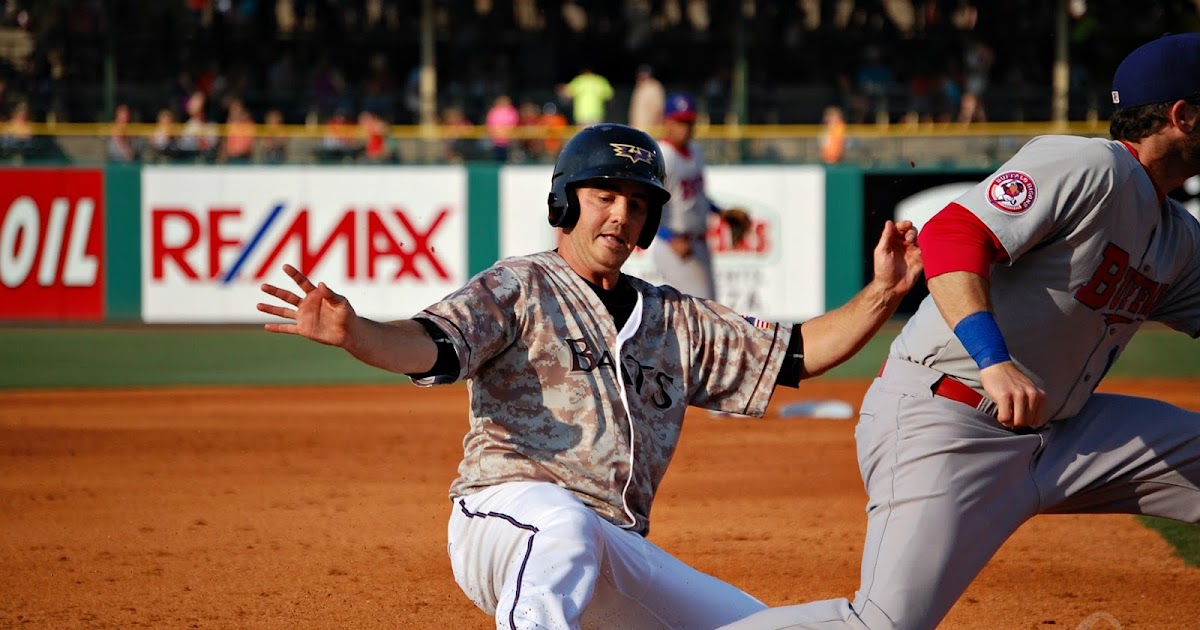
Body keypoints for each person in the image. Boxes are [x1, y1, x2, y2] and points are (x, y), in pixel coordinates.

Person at [257, 123, 923, 630]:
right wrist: (359, 333)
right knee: (563, 526)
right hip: (506, 516)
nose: (621, 214)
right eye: (604, 195)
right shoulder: (520, 285)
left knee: (751, 625)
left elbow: (795, 354)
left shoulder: (675, 319)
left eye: (637, 203)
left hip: (613, 544)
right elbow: (432, 345)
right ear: (566, 202)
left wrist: (883, 293)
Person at [722, 32, 1200, 630]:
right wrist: (993, 360)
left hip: (1068, 435)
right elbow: (951, 234)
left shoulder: (1178, 234)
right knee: (883, 624)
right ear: (1182, 115)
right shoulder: (1093, 166)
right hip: (952, 416)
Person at [648, 92, 752, 300]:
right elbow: (648, 204)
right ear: (667, 122)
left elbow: (697, 197)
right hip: (675, 245)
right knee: (700, 310)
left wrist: (720, 212)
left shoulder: (695, 151)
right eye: (679, 122)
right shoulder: (663, 156)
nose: (685, 128)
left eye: (689, 122)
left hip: (699, 244)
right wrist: (669, 237)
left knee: (709, 306)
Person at [628, 64, 665, 132]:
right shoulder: (639, 87)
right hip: (637, 128)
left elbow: (659, 109)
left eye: (644, 74)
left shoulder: (654, 87)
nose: (641, 76)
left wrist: (656, 127)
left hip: (649, 129)